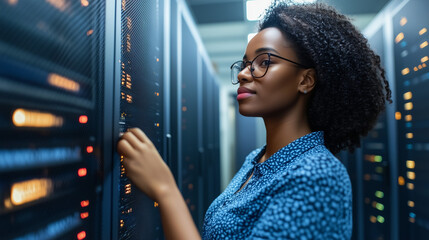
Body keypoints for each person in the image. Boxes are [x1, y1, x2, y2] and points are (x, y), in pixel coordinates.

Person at [117, 1, 391, 239]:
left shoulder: (318, 177)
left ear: (305, 80)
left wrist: (165, 192)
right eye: (246, 63)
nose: (244, 74)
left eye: (265, 62)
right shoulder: (256, 160)